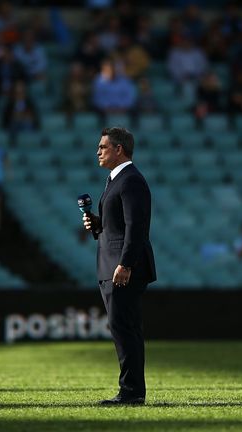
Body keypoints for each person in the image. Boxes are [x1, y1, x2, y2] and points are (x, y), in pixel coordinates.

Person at [82, 127, 156, 405]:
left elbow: (137, 227)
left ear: (119, 150)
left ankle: (131, 391)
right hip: (113, 264)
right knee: (124, 327)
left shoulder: (130, 180)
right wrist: (98, 225)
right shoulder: (116, 180)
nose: (98, 151)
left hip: (122, 268)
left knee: (124, 328)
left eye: (103, 147)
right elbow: (119, 226)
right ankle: (133, 390)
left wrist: (126, 264)